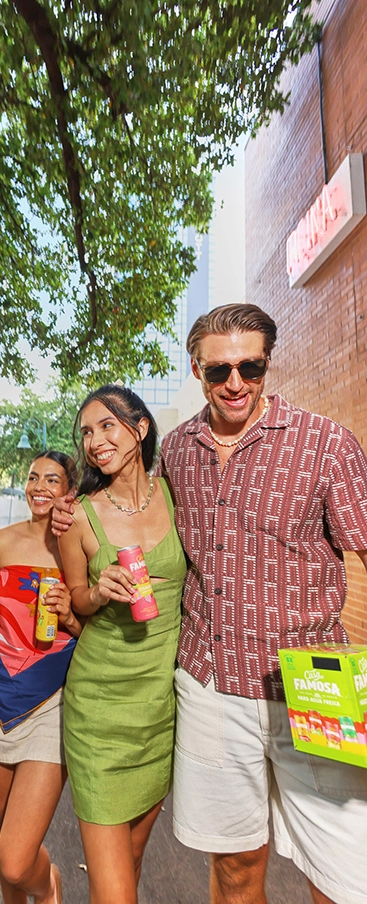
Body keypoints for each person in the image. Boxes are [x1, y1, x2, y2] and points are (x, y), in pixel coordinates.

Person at [52, 304, 367, 904]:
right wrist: (64, 507)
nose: (236, 384)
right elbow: (127, 502)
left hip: (318, 683)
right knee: (236, 868)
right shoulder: (177, 452)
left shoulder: (326, 443)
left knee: (342, 876)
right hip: (211, 685)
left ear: (267, 364)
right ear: (196, 369)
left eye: (251, 367)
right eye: (219, 370)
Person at [57, 386, 186, 904]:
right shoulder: (78, 517)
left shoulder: (179, 494)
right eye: (86, 431)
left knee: (129, 863)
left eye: (107, 425)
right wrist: (96, 590)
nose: (94, 440)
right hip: (100, 707)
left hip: (161, 705)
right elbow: (74, 601)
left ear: (140, 428)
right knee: (115, 893)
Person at [0, 451, 81, 904]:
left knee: (15, 855)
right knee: (4, 821)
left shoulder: (81, 546)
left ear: (70, 490)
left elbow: (95, 631)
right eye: (32, 478)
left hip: (53, 702)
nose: (39, 487)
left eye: (52, 479)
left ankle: (47, 888)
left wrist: (70, 615)